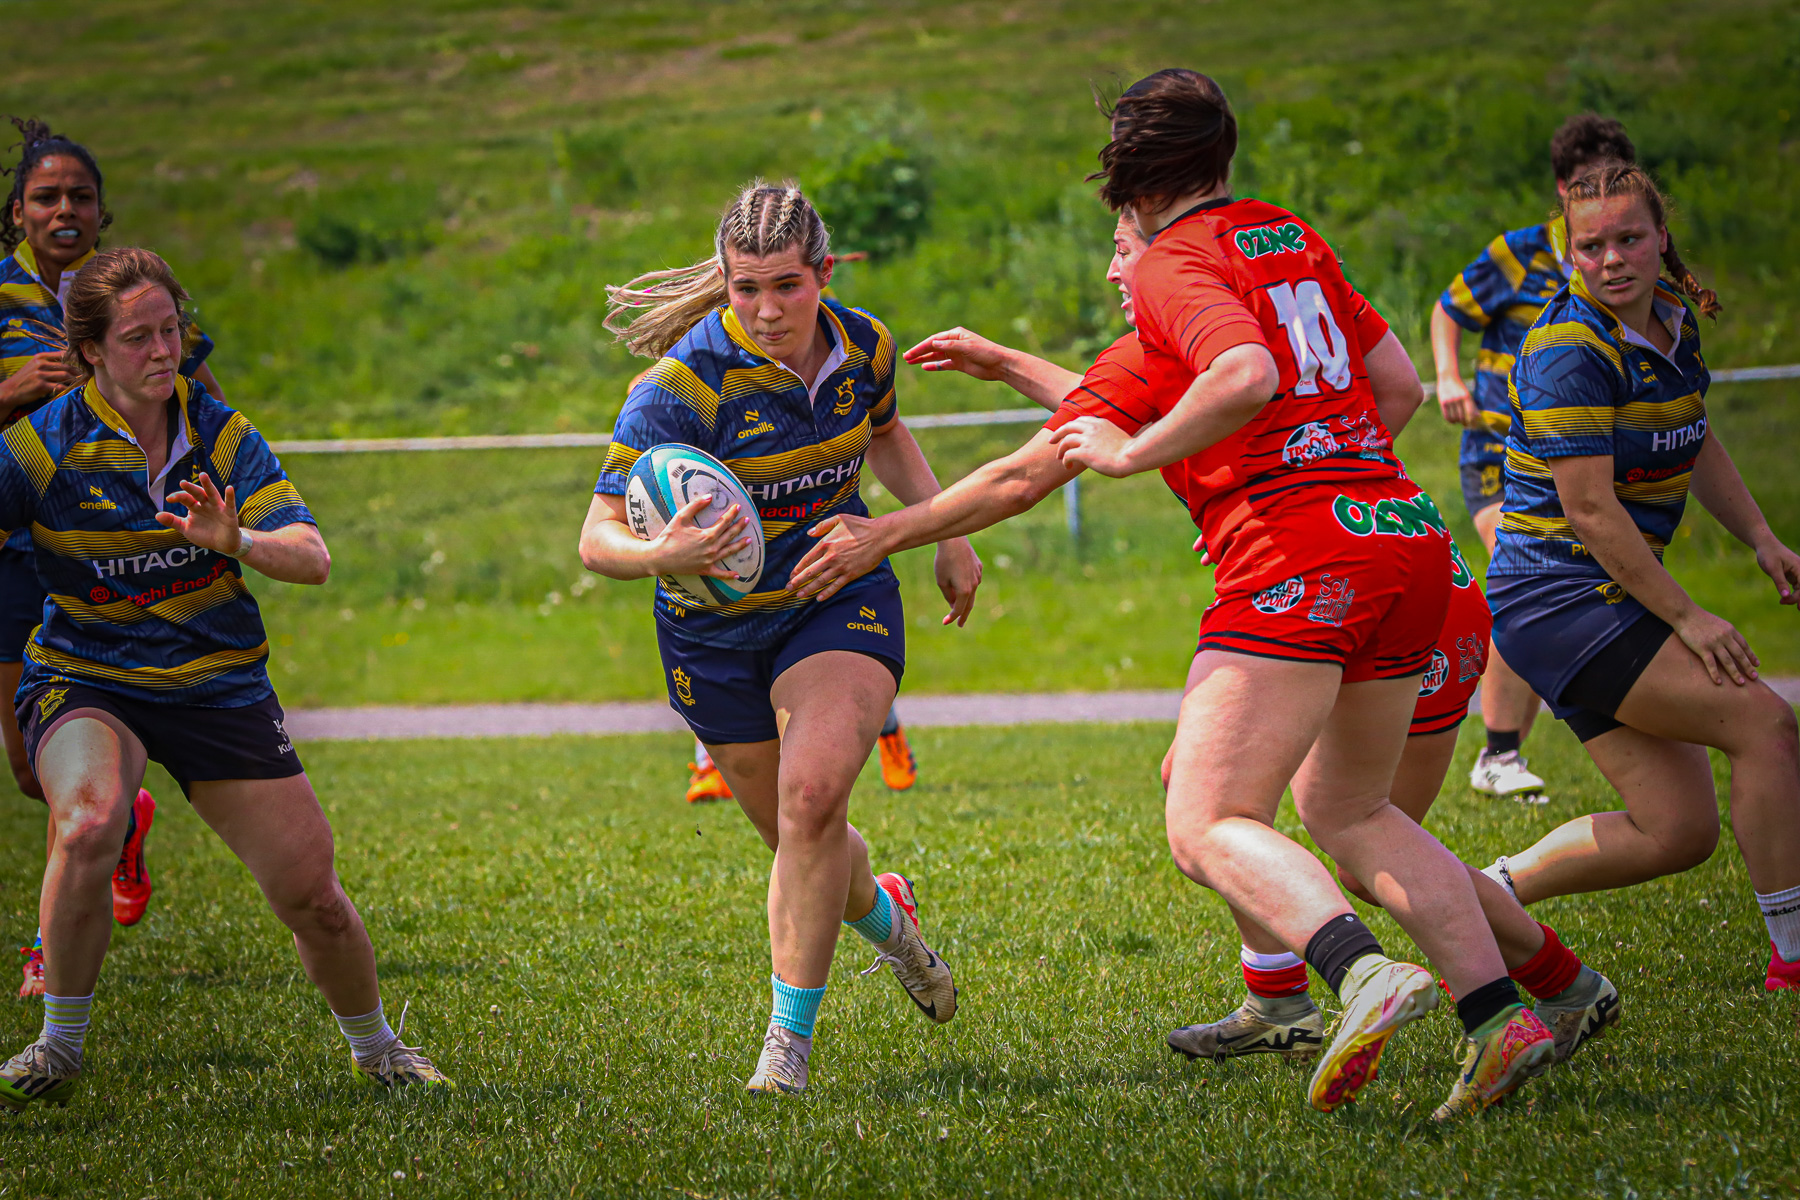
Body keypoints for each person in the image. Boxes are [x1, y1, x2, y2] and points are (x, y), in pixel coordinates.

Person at [794, 70, 1556, 1120]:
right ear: (1222, 157)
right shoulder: (1284, 237)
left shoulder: (1173, 262)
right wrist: (1316, 458)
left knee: (1204, 819)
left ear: (1131, 182)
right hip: (1402, 535)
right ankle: (1503, 1018)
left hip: (1300, 559)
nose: (1118, 261)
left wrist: (1128, 456)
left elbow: (1231, 379)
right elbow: (1397, 390)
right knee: (1350, 808)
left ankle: (1360, 972)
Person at [905, 213, 1618, 1070]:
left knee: (1351, 833)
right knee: (1275, 801)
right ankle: (1288, 997)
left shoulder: (1220, 338)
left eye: (1124, 248)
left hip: (1349, 581)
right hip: (1410, 568)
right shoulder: (1258, 314)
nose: (1110, 270)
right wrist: (1006, 361)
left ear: (1172, 250)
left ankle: (1528, 989)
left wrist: (877, 537)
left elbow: (1044, 464)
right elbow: (1151, 396)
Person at [0, 248, 447, 1108]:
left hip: (216, 683)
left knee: (312, 892)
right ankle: (57, 1047)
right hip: (88, 676)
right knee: (89, 823)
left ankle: (379, 1049)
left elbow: (312, 559)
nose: (162, 350)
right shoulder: (43, 445)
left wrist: (234, 540)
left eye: (171, 329)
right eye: (138, 337)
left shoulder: (223, 434)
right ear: (91, 351)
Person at [582, 181, 981, 1095]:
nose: (767, 311)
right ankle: (889, 921)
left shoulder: (865, 343)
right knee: (804, 842)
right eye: (746, 288)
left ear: (824, 275)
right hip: (712, 639)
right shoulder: (680, 386)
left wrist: (944, 531)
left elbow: (884, 435)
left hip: (835, 595)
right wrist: (663, 550)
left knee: (811, 803)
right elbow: (594, 539)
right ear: (724, 282)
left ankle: (785, 1051)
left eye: (789, 287)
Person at [1478, 164, 1800, 993]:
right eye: (1592, 246)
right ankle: (1794, 961)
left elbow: (1694, 435)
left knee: (1679, 830)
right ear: (1569, 252)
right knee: (1764, 725)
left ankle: (1485, 898)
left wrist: (1763, 538)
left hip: (1597, 597)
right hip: (1559, 599)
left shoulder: (1671, 320)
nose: (1612, 258)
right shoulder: (1564, 352)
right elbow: (1589, 511)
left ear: (1662, 238)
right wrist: (1692, 618)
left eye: (1629, 238)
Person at [0, 117, 226, 994]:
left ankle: (51, 946)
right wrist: (16, 391)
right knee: (29, 765)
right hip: (16, 547)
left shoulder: (136, 295)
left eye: (80, 197)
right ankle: (122, 825)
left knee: (76, 788)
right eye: (47, 196)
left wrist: (222, 466)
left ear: (100, 211)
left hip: (117, 552)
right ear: (17, 210)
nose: (65, 209)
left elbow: (199, 388)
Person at [1432, 114, 1637, 802]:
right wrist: (1451, 376)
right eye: (1584, 186)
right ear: (1560, 190)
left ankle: (1515, 749)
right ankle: (1498, 754)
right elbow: (1447, 310)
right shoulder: (1519, 253)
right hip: (1497, 449)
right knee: (1520, 583)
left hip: (1567, 454)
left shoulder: (1619, 262)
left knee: (1552, 590)